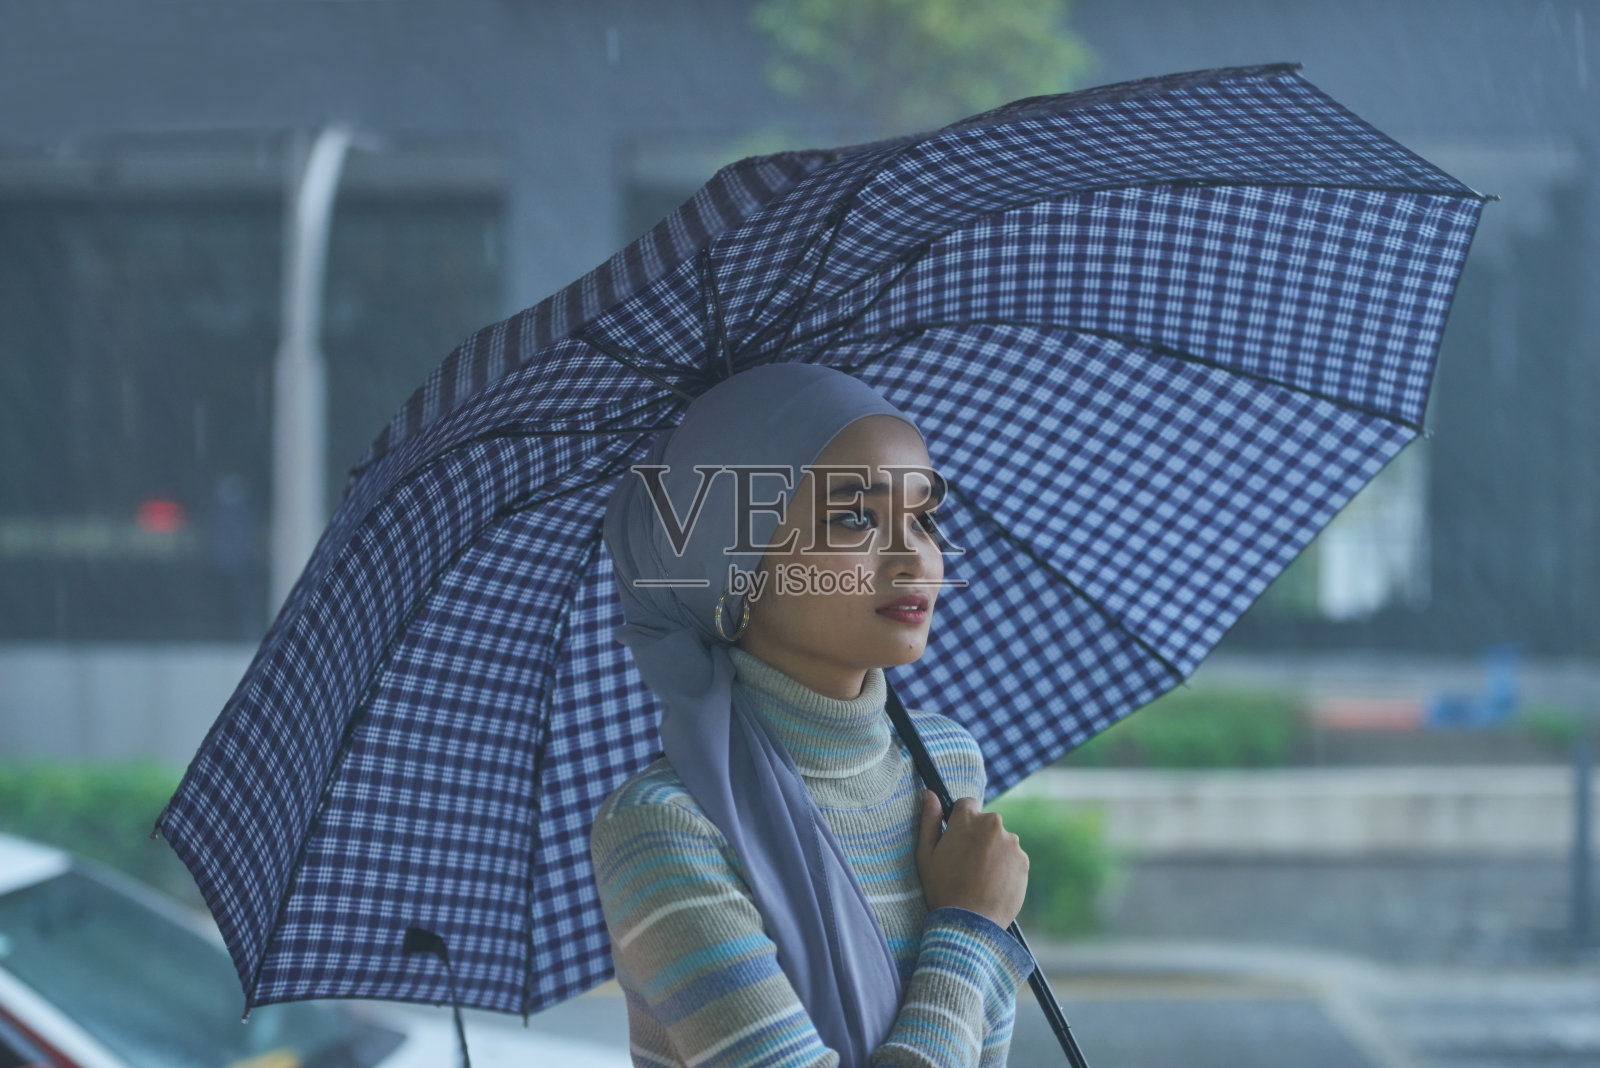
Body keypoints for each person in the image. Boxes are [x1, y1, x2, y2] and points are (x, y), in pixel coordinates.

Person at [591, 362, 1034, 1068]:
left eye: (923, 518)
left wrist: (971, 929)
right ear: (732, 563)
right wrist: (968, 927)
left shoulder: (944, 762)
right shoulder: (667, 827)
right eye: (856, 518)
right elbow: (962, 982)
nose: (916, 558)